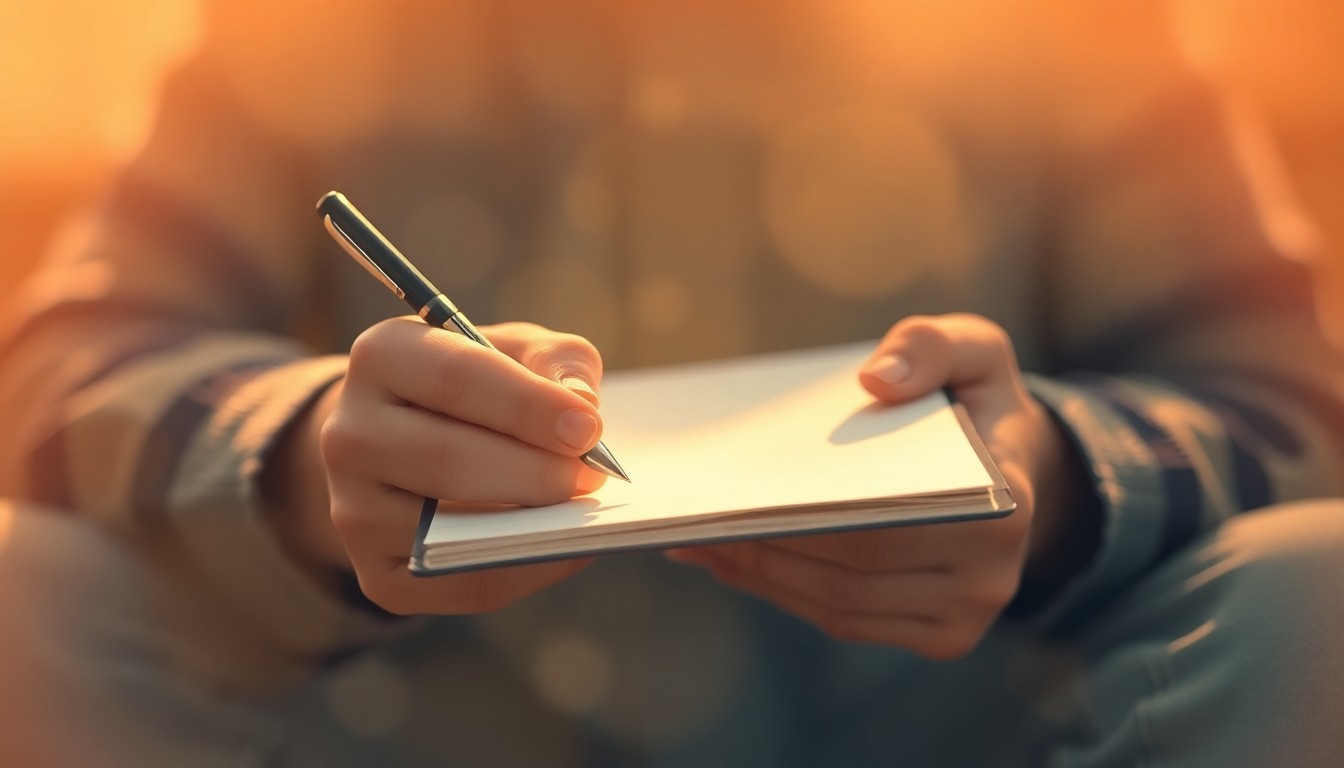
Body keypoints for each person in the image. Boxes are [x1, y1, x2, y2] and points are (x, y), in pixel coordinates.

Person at [1, 1, 1342, 765]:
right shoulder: (301, 36)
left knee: (1320, 590)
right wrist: (295, 464)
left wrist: (1055, 481)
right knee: (22, 593)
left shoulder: (1067, 34)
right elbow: (59, 371)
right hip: (413, 732)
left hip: (968, 733)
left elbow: (1298, 405)